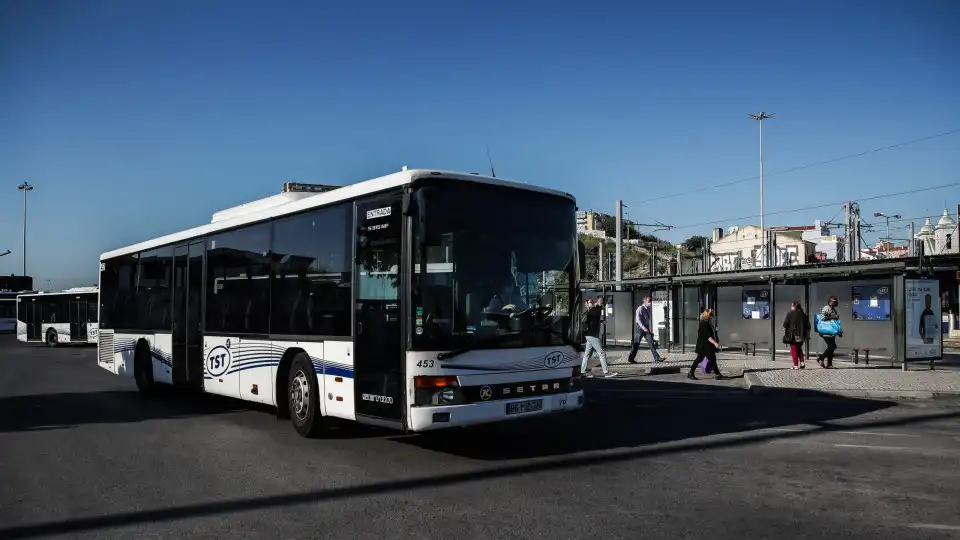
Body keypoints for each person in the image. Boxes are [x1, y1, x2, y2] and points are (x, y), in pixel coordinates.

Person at [580, 299, 619, 378]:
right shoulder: (593, 310)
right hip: (593, 335)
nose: (592, 303)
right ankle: (606, 372)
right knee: (601, 353)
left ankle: (583, 371)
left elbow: (593, 321)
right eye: (590, 302)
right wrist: (598, 303)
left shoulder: (589, 312)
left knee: (587, 354)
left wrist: (600, 321)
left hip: (589, 335)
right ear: (586, 304)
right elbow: (600, 306)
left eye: (592, 302)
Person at [688, 308, 724, 380]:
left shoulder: (707, 322)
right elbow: (707, 336)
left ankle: (691, 372)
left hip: (706, 345)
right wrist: (715, 343)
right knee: (706, 359)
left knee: (705, 358)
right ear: (707, 315)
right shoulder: (704, 324)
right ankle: (717, 374)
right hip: (704, 346)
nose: (711, 316)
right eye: (710, 315)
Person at [627, 295, 664, 364]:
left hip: (646, 327)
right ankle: (631, 358)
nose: (650, 302)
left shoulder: (649, 308)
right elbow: (638, 320)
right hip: (640, 328)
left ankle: (657, 358)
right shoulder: (640, 308)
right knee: (636, 344)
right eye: (648, 301)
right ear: (645, 301)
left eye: (650, 301)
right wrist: (644, 328)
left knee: (651, 343)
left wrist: (647, 328)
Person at [782, 301, 811, 369]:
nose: (791, 307)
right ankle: (802, 363)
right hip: (802, 335)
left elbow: (785, 324)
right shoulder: (804, 314)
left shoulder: (790, 313)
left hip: (794, 335)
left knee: (794, 349)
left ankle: (795, 365)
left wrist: (786, 329)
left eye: (792, 305)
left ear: (794, 306)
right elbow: (808, 326)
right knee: (799, 349)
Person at [815, 295, 840, 368]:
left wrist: (839, 331)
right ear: (830, 302)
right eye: (835, 301)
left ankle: (829, 364)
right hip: (826, 332)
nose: (836, 302)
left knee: (831, 348)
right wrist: (833, 317)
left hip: (831, 332)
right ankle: (821, 358)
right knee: (833, 346)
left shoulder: (833, 309)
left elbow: (835, 323)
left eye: (836, 301)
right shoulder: (826, 308)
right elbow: (822, 318)